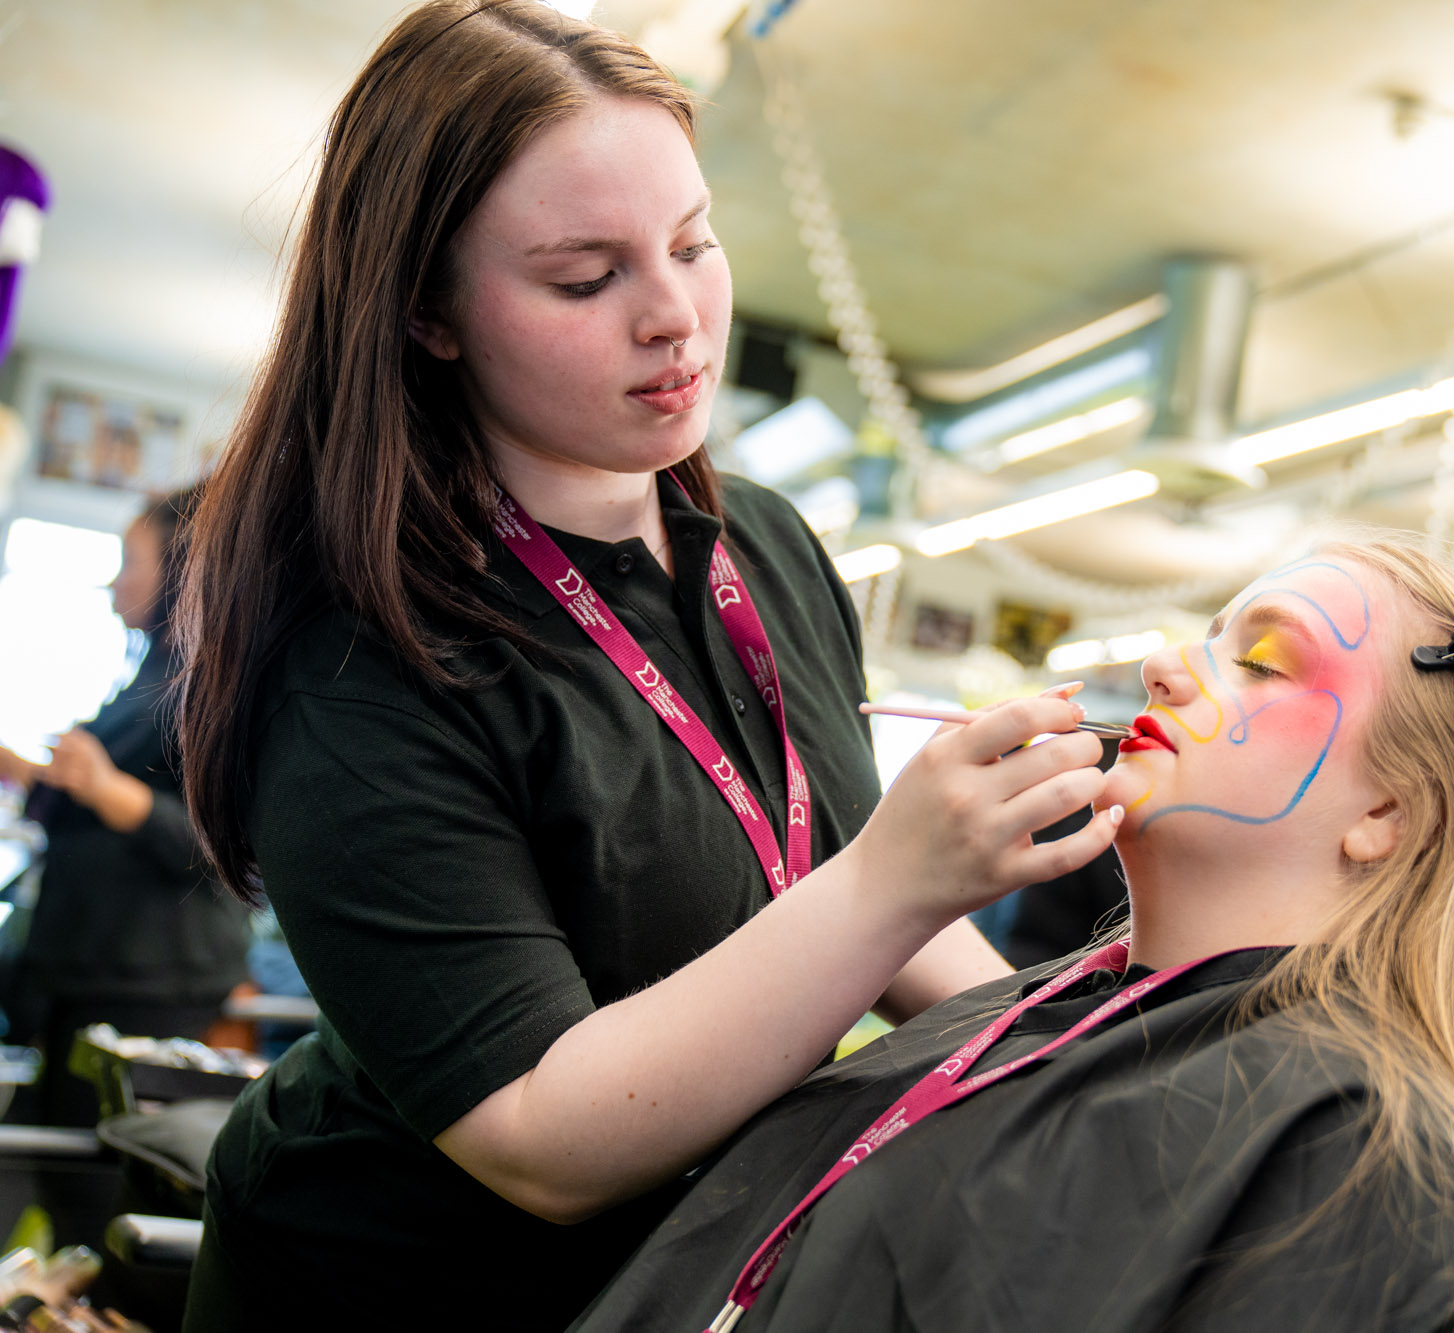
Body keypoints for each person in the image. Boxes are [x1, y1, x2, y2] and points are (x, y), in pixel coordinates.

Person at [171, 5, 1117, 1329]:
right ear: (428, 312)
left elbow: (843, 883)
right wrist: (898, 876)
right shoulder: (353, 652)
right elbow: (537, 1137)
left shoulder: (768, 546)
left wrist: (1092, 1047)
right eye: (584, 278)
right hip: (395, 1284)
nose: (674, 316)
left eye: (692, 242)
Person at [574, 537, 1454, 1333]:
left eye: (1261, 661)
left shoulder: (1366, 1155)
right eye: (1209, 637)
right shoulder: (1047, 1013)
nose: (1163, 666)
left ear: (1390, 812)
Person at [0, 487, 248, 1127]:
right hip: (87, 965)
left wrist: (107, 789)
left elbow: (228, 850)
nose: (116, 581)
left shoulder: (212, 686)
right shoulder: (151, 675)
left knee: (89, 1163)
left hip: (147, 978)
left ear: (182, 568)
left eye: (131, 561)